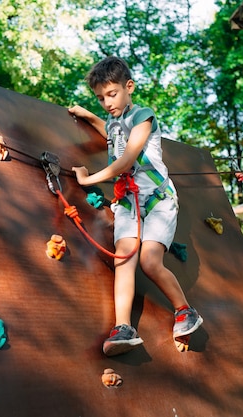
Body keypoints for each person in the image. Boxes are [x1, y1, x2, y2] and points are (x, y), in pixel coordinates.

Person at [69, 56, 203, 357]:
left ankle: (185, 311)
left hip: (157, 201)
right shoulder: (115, 122)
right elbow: (111, 133)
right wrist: (88, 116)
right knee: (123, 259)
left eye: (112, 94)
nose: (106, 102)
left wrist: (88, 179)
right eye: (100, 98)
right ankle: (123, 328)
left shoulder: (143, 116)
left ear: (129, 87)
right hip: (129, 202)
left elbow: (127, 159)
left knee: (150, 261)